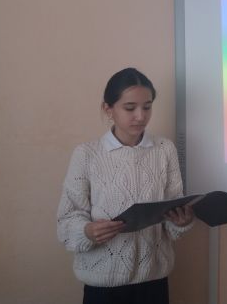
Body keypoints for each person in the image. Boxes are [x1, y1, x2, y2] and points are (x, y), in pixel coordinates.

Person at [57, 68, 194, 304]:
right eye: (130, 108)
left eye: (147, 107)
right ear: (108, 109)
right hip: (102, 287)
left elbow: (172, 214)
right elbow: (67, 218)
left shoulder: (165, 149)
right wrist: (87, 231)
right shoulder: (86, 154)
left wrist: (181, 222)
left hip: (153, 282)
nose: (140, 116)